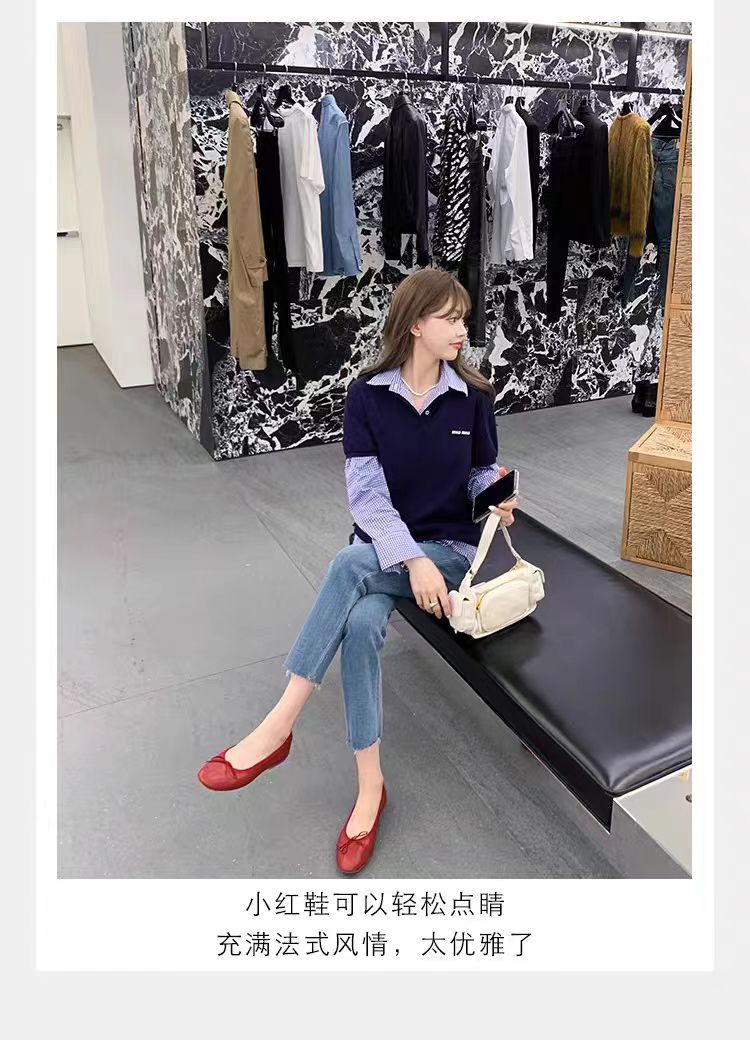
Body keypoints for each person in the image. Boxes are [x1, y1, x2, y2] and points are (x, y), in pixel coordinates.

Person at [197, 268, 518, 874]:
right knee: (365, 622)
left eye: (464, 318)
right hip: (394, 551)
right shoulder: (367, 395)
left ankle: (278, 727)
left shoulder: (473, 395)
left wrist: (497, 494)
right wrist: (410, 559)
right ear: (415, 324)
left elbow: (480, 471)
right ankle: (371, 786)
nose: (462, 329)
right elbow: (368, 499)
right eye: (450, 318)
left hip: (450, 552)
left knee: (350, 564)